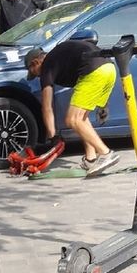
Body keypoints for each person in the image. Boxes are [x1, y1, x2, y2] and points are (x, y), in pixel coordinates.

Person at [26, 40, 119, 177]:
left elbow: (47, 107)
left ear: (35, 63)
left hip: (94, 71)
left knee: (72, 119)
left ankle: (105, 153)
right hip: (109, 69)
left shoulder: (47, 66)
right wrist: (103, 105)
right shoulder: (59, 56)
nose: (37, 76)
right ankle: (90, 158)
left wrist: (53, 137)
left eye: (33, 73)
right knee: (82, 118)